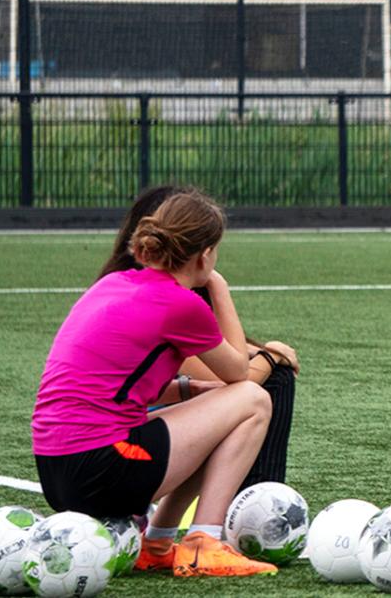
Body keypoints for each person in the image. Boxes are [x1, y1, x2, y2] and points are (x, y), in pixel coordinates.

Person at [31, 190, 277, 578]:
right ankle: (203, 543)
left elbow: (112, 386)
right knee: (252, 400)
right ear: (206, 253)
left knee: (219, 415)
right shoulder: (181, 303)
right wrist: (218, 287)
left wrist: (190, 392)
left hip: (56, 471)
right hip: (102, 468)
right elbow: (238, 373)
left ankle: (158, 543)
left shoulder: (111, 284)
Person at [100, 185, 300, 495]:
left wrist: (259, 352)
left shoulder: (118, 285)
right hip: (118, 452)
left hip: (83, 451)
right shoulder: (168, 301)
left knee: (259, 376)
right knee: (266, 385)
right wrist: (271, 355)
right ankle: (245, 511)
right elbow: (235, 378)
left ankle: (211, 518)